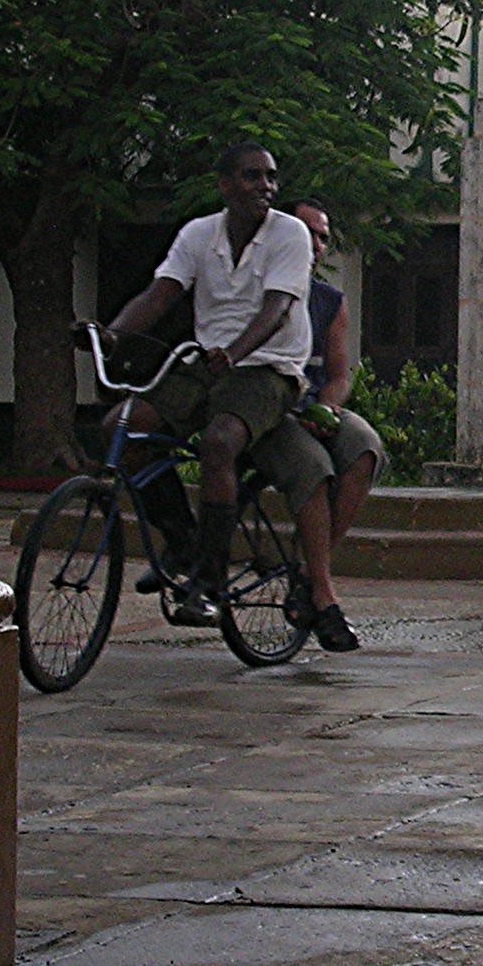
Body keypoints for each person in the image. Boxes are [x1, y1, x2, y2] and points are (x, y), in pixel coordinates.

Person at [103, 145, 314, 626]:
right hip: (206, 361)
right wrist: (110, 334)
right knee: (123, 427)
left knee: (220, 442)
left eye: (271, 177)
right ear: (224, 186)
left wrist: (235, 353)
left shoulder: (290, 233)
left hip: (267, 366)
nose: (265, 186)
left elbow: (277, 309)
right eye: (251, 176)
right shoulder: (199, 234)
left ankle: (210, 583)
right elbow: (160, 295)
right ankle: (182, 540)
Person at [247, 200, 384, 651]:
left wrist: (325, 408)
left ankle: (308, 571)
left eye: (324, 237)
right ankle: (324, 595)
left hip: (311, 404)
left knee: (363, 447)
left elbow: (341, 375)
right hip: (270, 406)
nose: (316, 245)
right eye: (308, 233)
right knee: (313, 468)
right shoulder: (255, 289)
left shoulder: (330, 301)